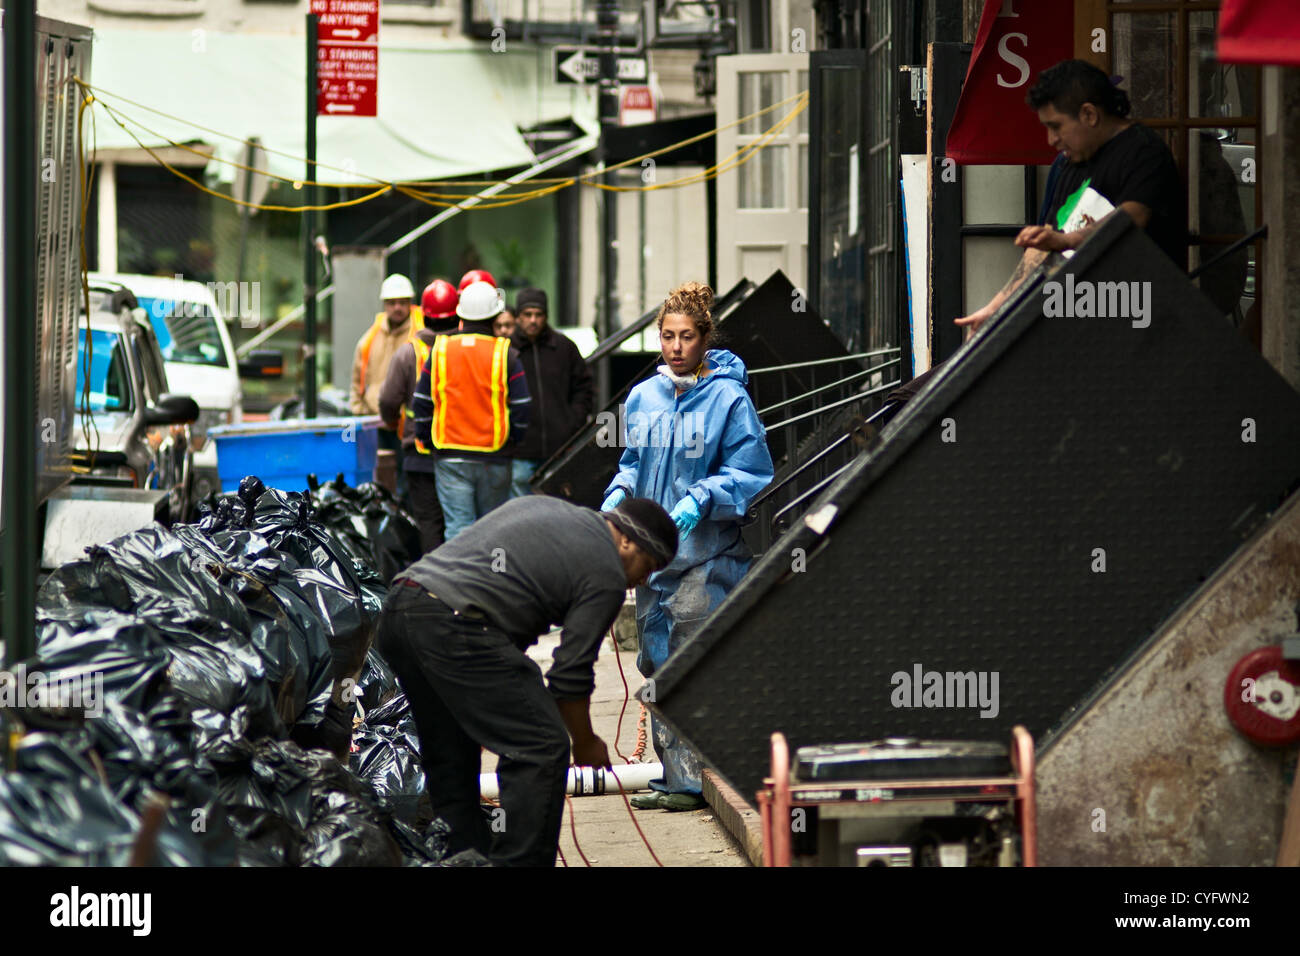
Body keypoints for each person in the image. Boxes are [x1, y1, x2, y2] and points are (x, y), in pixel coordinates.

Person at [375, 494, 679, 866]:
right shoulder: (606, 571)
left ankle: (463, 859)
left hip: (401, 608)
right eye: (649, 565)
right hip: (453, 621)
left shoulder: (553, 512)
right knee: (542, 746)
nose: (644, 579)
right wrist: (584, 742)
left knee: (452, 759)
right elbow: (569, 674)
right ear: (627, 540)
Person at [600, 281, 773, 811]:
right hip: (652, 559)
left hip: (706, 554)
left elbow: (752, 470)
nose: (676, 347)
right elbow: (632, 462)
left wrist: (704, 496)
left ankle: (707, 779)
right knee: (657, 666)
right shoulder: (644, 396)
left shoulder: (728, 398)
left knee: (696, 662)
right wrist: (618, 495)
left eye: (687, 337)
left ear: (705, 339)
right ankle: (676, 776)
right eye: (668, 336)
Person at [955, 60, 1187, 334]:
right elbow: (1044, 242)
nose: (1051, 139)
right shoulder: (1071, 162)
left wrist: (1067, 240)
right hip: (1080, 320)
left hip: (1143, 319)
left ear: (1089, 114)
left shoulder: (1144, 152)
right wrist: (997, 307)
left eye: (1056, 126)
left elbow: (1132, 217)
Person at [409, 280, 531, 540]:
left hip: (450, 455)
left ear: (460, 314)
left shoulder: (440, 350)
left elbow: (420, 401)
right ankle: (492, 578)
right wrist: (513, 441)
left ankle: (459, 580)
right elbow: (522, 406)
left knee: (458, 531)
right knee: (493, 530)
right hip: (495, 455)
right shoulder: (506, 353)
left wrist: (429, 440)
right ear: (495, 315)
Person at [378, 278, 459, 552]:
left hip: (420, 453)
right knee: (461, 521)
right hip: (462, 450)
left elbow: (388, 400)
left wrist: (392, 421)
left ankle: (433, 586)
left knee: (429, 523)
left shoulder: (409, 352)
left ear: (422, 314)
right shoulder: (467, 350)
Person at [507, 287, 594, 499]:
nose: (533, 320)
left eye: (538, 315)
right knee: (519, 515)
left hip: (560, 450)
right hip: (520, 452)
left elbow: (584, 389)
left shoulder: (564, 348)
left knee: (559, 511)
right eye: (527, 315)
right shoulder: (507, 352)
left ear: (546, 316)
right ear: (518, 317)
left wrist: (572, 423)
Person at [350, 273, 425, 499]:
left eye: (403, 302)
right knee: (374, 483)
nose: (398, 308)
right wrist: (359, 409)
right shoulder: (370, 339)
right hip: (376, 424)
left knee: (406, 484)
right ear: (385, 304)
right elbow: (356, 379)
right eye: (392, 303)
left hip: (406, 426)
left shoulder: (419, 337)